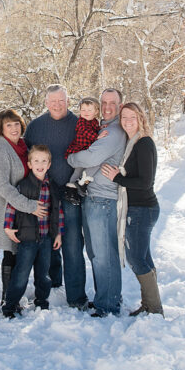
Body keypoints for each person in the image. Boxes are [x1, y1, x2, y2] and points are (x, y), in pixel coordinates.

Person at [25, 84, 87, 309]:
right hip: (44, 193)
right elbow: (27, 158)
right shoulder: (35, 127)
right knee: (46, 242)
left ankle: (77, 297)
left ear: (68, 101)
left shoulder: (79, 125)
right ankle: (49, 284)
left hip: (70, 192)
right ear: (46, 103)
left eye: (61, 101)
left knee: (71, 244)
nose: (57, 105)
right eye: (53, 102)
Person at [67, 88, 127, 317]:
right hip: (92, 196)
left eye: (113, 102)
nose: (108, 106)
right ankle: (106, 296)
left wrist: (71, 157)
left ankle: (108, 304)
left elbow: (90, 156)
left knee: (104, 254)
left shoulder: (114, 131)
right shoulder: (101, 127)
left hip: (103, 199)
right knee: (95, 253)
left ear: (120, 105)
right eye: (105, 102)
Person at [100, 102, 163, 316]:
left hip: (142, 209)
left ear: (141, 119)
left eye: (132, 117)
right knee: (144, 258)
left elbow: (145, 182)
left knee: (136, 258)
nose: (127, 121)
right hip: (138, 208)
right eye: (124, 117)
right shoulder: (131, 142)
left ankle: (154, 308)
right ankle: (149, 304)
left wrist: (117, 178)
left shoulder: (144, 143)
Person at [0, 108, 48, 307]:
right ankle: (8, 298)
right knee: (10, 250)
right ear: (0, 128)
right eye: (8, 125)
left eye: (16, 124)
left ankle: (13, 295)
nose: (13, 128)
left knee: (16, 249)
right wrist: (29, 206)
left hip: (19, 204)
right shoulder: (0, 150)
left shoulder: (22, 146)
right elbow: (3, 186)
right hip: (4, 205)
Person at [1, 145, 64, 317]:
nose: (40, 164)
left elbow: (57, 211)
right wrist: (8, 226)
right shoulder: (23, 185)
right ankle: (10, 305)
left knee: (43, 274)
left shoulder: (53, 187)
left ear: (49, 164)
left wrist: (58, 232)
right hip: (27, 239)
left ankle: (41, 301)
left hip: (46, 238)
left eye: (44, 161)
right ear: (29, 164)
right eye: (36, 160)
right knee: (21, 274)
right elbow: (12, 206)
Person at [63, 96, 101, 200]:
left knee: (83, 169)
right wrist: (97, 136)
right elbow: (85, 131)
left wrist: (101, 128)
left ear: (96, 112)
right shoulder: (81, 121)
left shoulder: (94, 121)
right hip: (79, 149)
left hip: (86, 150)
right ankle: (70, 190)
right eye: (83, 109)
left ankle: (78, 185)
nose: (86, 112)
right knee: (78, 170)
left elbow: (95, 129)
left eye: (89, 110)